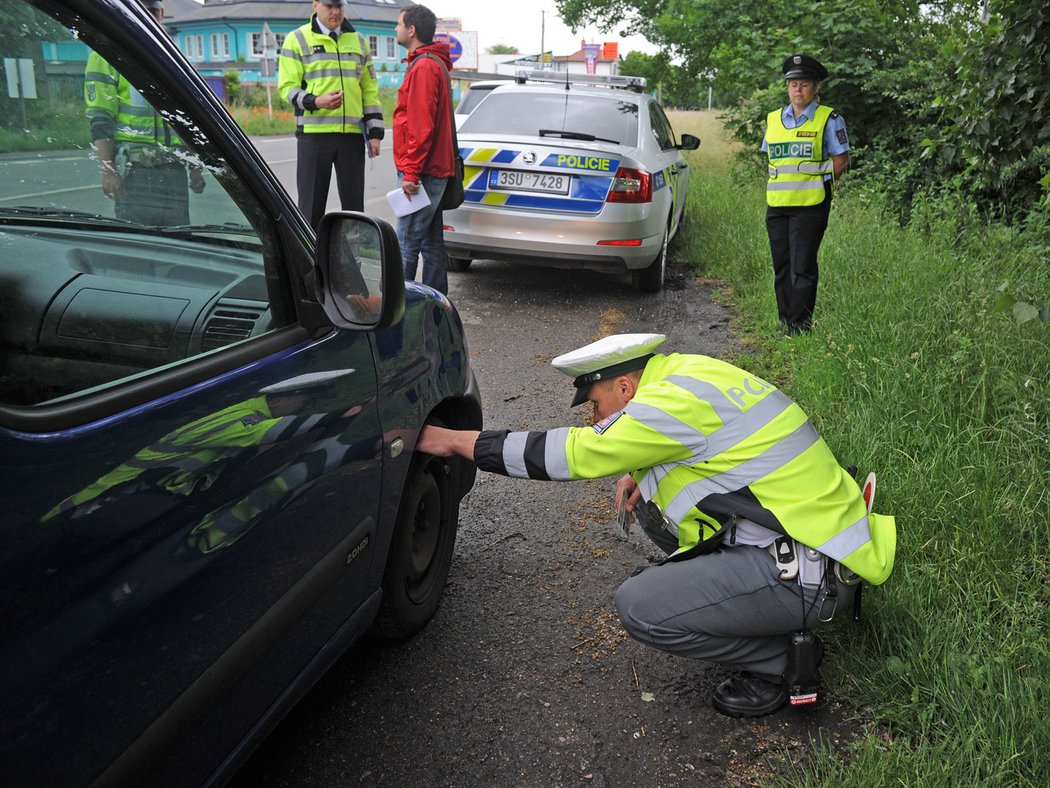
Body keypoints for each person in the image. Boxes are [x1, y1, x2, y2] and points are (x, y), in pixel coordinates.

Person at [417, 333, 896, 717]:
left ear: (626, 387)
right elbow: (712, 450)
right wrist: (644, 474)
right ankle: (737, 602)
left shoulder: (664, 406)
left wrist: (455, 442)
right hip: (819, 543)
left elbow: (575, 453)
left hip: (811, 576)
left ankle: (784, 665)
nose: (596, 416)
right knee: (648, 503)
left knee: (640, 605)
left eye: (596, 403)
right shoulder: (685, 375)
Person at [84, 0, 205, 225]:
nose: (148, 18)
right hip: (135, 173)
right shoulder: (105, 55)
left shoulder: (173, 56)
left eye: (153, 12)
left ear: (161, 14)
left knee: (179, 247)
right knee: (138, 246)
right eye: (141, 12)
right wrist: (109, 171)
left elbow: (188, 120)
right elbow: (100, 120)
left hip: (173, 172)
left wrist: (195, 168)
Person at [278, 0, 385, 230]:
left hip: (352, 136)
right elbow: (287, 88)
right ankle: (310, 261)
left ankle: (351, 260)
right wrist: (315, 101)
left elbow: (369, 90)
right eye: (329, 6)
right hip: (314, 136)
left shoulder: (359, 41)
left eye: (339, 6)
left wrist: (375, 132)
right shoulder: (296, 39)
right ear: (315, 4)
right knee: (311, 207)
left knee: (354, 208)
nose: (335, 12)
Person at [762, 54, 850, 335]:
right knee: (782, 266)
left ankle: (799, 327)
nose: (797, 89)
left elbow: (841, 161)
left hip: (810, 204)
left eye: (804, 84)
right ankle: (785, 321)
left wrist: (816, 184)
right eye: (793, 84)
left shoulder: (829, 119)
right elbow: (774, 158)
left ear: (815, 88)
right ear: (787, 88)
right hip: (777, 204)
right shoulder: (774, 119)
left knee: (802, 267)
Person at [392, 4, 456, 295]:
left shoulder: (424, 67)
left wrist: (411, 172)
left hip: (424, 171)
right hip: (432, 169)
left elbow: (420, 126)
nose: (396, 29)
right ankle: (437, 309)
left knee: (406, 243)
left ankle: (396, 311)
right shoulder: (431, 63)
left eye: (398, 24)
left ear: (412, 30)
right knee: (431, 245)